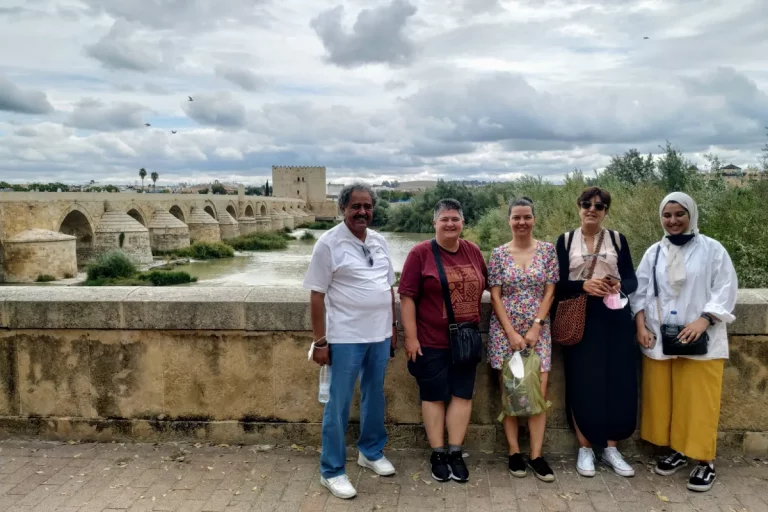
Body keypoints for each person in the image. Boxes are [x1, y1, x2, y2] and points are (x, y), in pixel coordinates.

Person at [632, 192, 737, 493]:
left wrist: (704, 319)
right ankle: (678, 450)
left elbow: (725, 288)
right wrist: (640, 325)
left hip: (700, 338)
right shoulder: (654, 252)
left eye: (679, 214)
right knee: (669, 399)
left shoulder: (712, 250)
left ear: (691, 214)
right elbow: (640, 291)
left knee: (699, 401)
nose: (673, 220)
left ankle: (705, 461)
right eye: (667, 215)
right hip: (662, 339)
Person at [303, 183, 398, 500]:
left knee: (375, 396)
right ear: (343, 208)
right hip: (344, 338)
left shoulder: (380, 241)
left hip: (380, 335)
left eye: (367, 206)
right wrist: (320, 341)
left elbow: (389, 288)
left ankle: (370, 451)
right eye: (355, 206)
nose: (362, 212)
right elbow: (316, 295)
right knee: (338, 404)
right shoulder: (328, 244)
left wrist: (393, 328)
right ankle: (331, 470)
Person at [398, 198, 488, 483]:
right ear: (434, 222)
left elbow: (489, 285)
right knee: (434, 396)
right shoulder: (420, 253)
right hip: (430, 340)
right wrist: (411, 338)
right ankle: (437, 453)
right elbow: (407, 297)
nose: (450, 224)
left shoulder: (473, 251)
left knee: (463, 395)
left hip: (466, 339)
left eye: (455, 219)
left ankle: (455, 452)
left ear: (463, 223)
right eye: (444, 219)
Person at [554, 186, 638, 478]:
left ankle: (611, 447)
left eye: (599, 206)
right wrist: (583, 286)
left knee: (616, 382)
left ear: (606, 211)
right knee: (582, 382)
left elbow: (632, 279)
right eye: (587, 204)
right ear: (578, 207)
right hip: (580, 317)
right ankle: (585, 448)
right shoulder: (565, 241)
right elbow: (556, 283)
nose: (592, 209)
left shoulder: (617, 239)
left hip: (614, 317)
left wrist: (618, 283)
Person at [488, 197, 558, 482]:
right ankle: (514, 452)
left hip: (538, 333)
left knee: (538, 395)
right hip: (506, 334)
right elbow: (494, 295)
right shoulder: (498, 254)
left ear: (534, 219)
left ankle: (537, 455)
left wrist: (536, 327)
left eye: (527, 216)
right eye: (516, 217)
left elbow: (550, 291)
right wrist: (512, 333)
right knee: (512, 393)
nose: (522, 222)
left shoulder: (548, 251)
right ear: (509, 220)